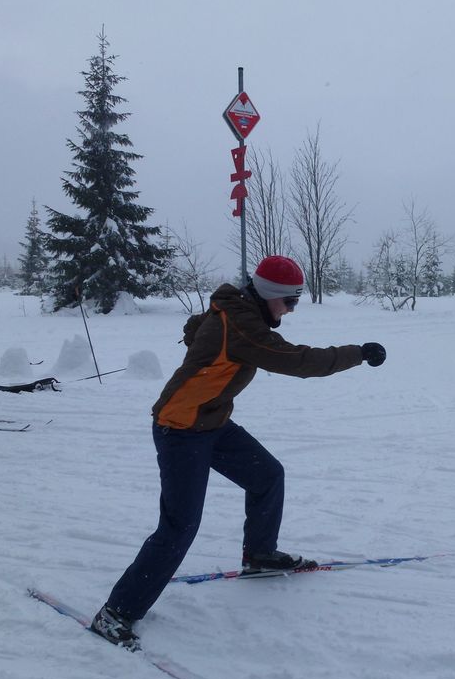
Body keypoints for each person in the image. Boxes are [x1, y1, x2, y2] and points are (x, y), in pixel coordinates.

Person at [91, 255, 387, 650]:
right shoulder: (243, 326)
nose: (291, 310)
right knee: (180, 526)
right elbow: (298, 361)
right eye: (289, 301)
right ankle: (116, 612)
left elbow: (194, 327)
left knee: (267, 475)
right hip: (181, 428)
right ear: (267, 295)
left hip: (210, 422)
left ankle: (259, 555)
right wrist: (358, 353)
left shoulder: (234, 310)